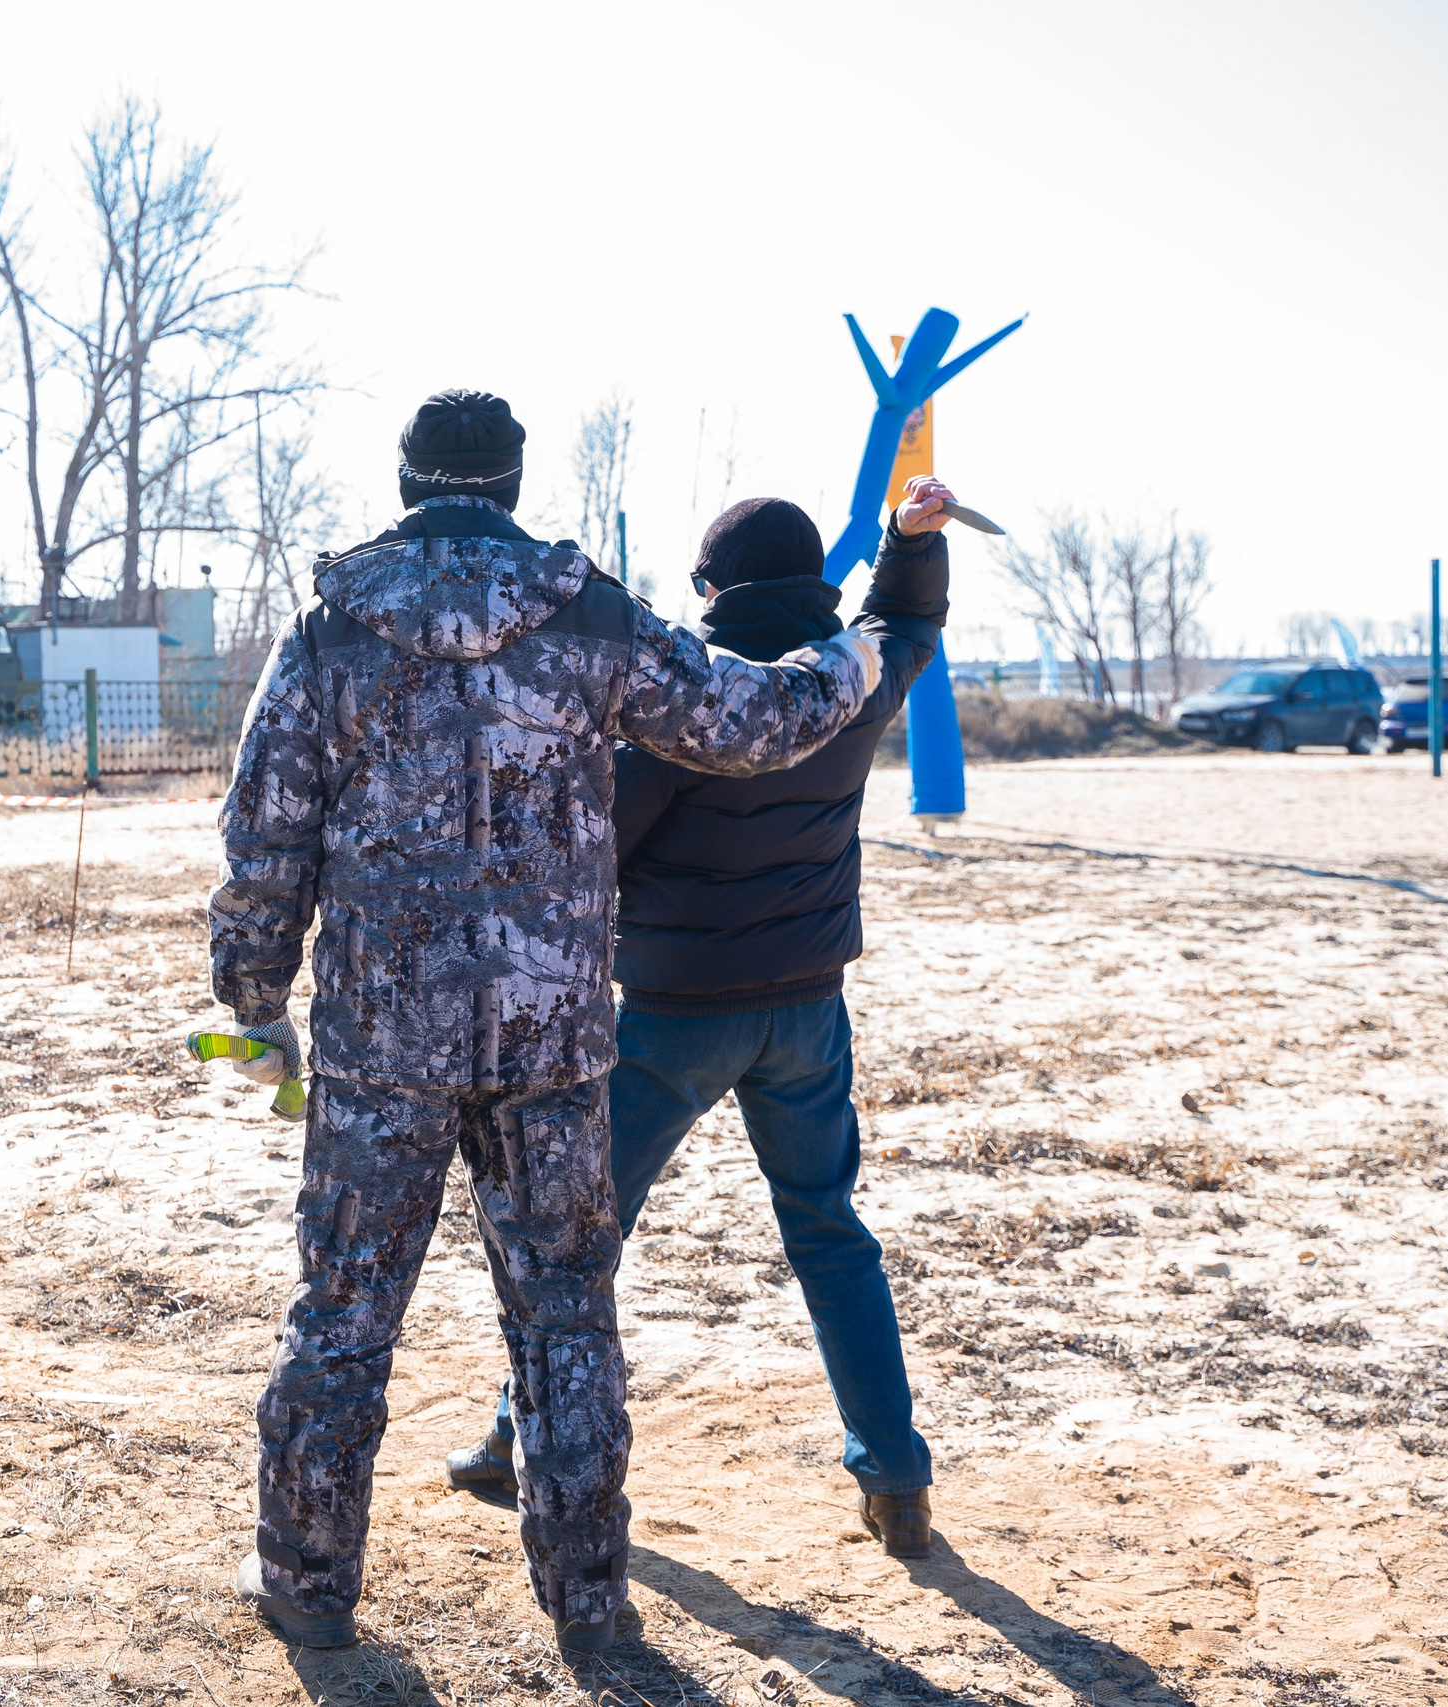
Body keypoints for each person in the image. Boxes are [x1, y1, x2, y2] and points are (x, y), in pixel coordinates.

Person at [207, 389, 928, 1655]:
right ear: (513, 481)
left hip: (383, 1039)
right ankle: (588, 1607)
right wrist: (861, 652)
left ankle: (309, 1590)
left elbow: (263, 836)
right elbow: (750, 723)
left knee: (339, 1320)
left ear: (408, 478)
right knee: (565, 1317)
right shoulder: (585, 617)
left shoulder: (328, 632)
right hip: (552, 1042)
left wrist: (254, 999)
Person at [439, 480, 954, 1561]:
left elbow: (593, 853)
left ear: (711, 591)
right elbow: (903, 624)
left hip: (669, 1022)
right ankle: (896, 1477)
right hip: (808, 1012)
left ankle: (511, 1437)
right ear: (812, 583)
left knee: (574, 1243)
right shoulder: (847, 682)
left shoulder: (683, 709)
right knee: (829, 1234)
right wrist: (909, 542)